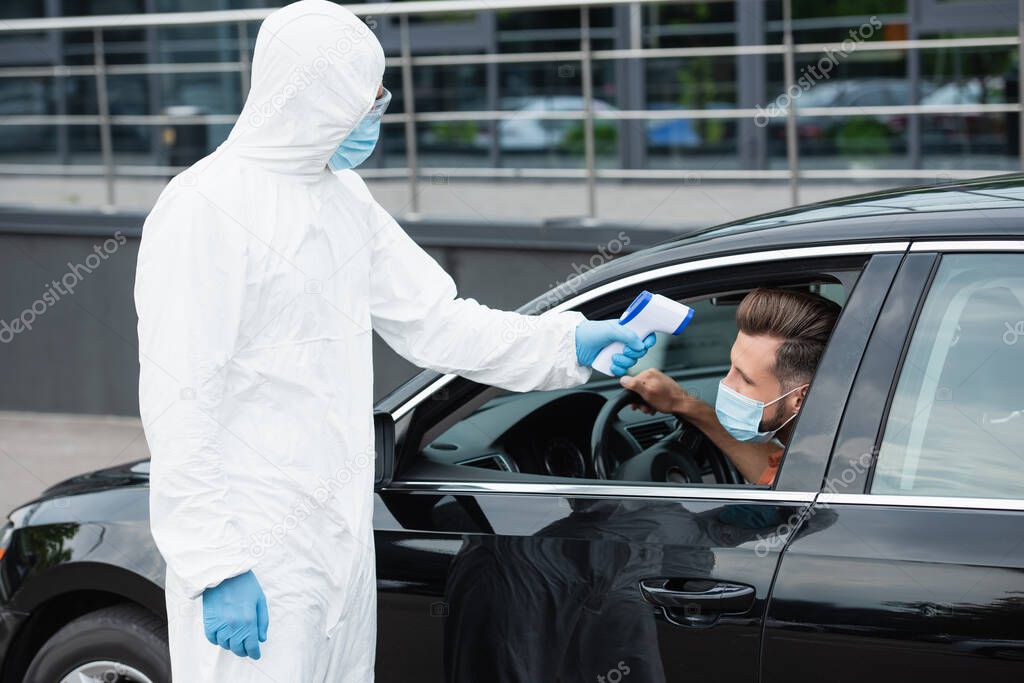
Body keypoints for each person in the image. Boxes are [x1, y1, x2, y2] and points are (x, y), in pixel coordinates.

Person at [134, 1, 655, 681]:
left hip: (338, 543)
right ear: (315, 97)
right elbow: (179, 405)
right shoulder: (202, 209)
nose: (379, 109)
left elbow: (441, 322)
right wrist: (215, 564)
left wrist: (571, 343)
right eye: (367, 95)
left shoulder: (343, 198)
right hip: (254, 549)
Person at [620, 287, 840, 485]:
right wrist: (681, 402)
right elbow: (774, 472)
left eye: (745, 379)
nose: (726, 383)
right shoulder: (817, 460)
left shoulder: (828, 483)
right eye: (731, 367)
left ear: (800, 399)